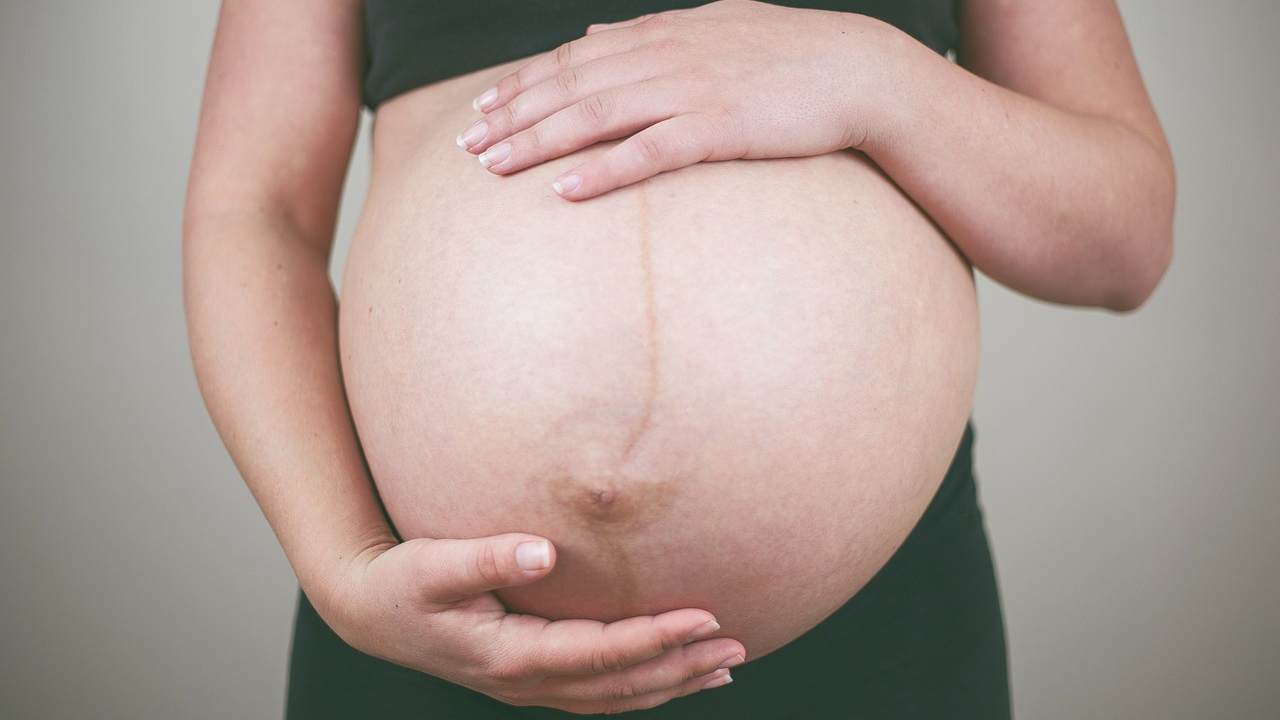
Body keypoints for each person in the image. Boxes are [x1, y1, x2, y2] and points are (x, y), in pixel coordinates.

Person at [183, 1, 1174, 717]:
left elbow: (1124, 238)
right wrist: (343, 568)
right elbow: (252, 211)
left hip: (870, 637)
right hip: (428, 627)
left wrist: (876, 75)